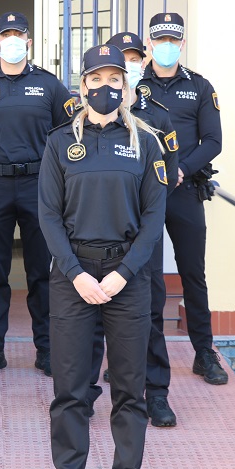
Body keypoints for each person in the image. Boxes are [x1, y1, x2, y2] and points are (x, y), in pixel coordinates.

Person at [39, 44, 167, 469]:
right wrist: (76, 274)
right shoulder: (58, 143)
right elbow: (48, 216)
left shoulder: (146, 143)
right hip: (73, 278)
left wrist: (121, 274)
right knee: (71, 389)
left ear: (126, 86)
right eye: (98, 79)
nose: (107, 87)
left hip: (127, 278)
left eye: (116, 78)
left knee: (129, 390)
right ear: (84, 85)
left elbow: (154, 219)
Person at [0, 11, 75, 378]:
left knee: (41, 271)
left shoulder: (50, 85)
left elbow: (67, 135)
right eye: (5, 35)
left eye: (18, 35)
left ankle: (47, 349)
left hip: (39, 186)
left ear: (29, 41)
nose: (11, 41)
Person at [86, 31, 181, 427]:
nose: (124, 66)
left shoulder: (155, 114)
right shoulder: (81, 114)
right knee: (89, 317)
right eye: (118, 59)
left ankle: (155, 393)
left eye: (131, 60)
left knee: (149, 313)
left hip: (140, 239)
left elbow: (169, 171)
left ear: (138, 67)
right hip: (92, 236)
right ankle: (86, 392)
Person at [139, 12, 227, 386]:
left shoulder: (201, 87)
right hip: (143, 195)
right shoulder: (135, 86)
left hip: (184, 191)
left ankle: (204, 353)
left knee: (193, 273)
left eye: (173, 40)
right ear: (150, 44)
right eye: (160, 40)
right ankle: (141, 354)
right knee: (147, 277)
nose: (167, 46)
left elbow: (213, 141)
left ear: (182, 44)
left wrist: (181, 169)